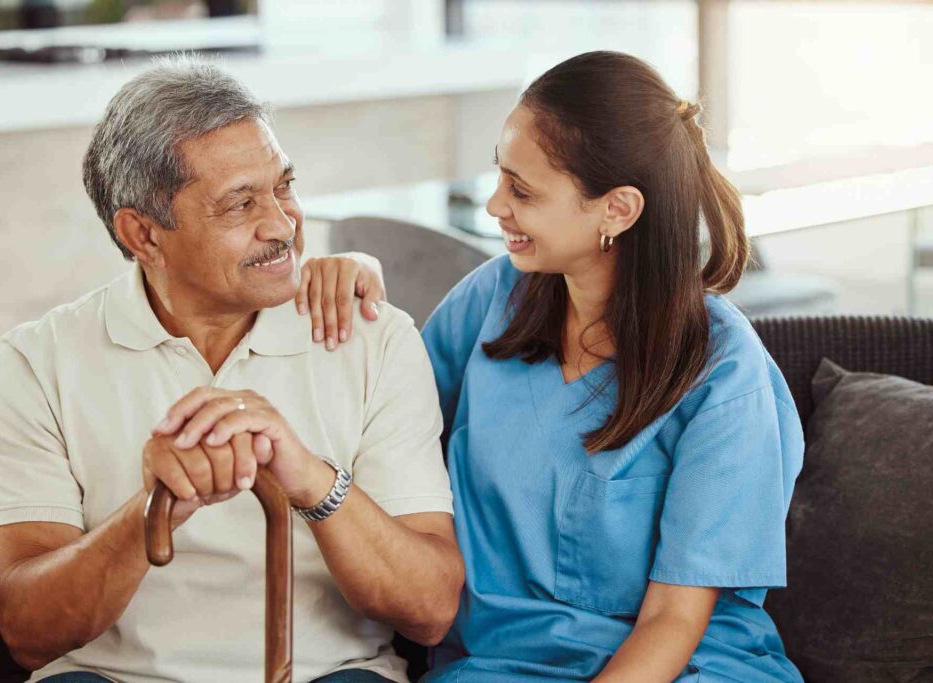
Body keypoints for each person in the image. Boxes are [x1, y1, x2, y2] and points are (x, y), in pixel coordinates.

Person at [296, 51, 805, 682]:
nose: (493, 206)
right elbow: (381, 422)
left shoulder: (720, 367)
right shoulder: (488, 303)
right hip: (499, 669)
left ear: (616, 210)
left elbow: (673, 619)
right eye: (500, 176)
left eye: (522, 191)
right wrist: (365, 280)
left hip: (680, 667)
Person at [0, 55, 463, 683]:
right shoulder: (37, 360)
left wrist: (311, 479)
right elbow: (28, 634)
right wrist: (155, 509)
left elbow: (430, 612)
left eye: (283, 186)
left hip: (329, 674)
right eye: (239, 205)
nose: (283, 223)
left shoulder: (375, 339)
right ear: (143, 235)